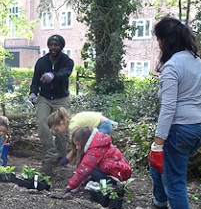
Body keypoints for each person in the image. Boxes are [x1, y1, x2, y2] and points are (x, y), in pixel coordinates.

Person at [134, 16, 201, 209]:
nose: (157, 44)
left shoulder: (173, 66)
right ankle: (159, 208)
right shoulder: (197, 61)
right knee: (157, 166)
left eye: (158, 38)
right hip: (200, 127)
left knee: (174, 178)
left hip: (180, 129)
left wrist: (158, 143)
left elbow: (168, 108)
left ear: (165, 40)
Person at [29, 34, 74, 175]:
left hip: (61, 97)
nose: (53, 47)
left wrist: (52, 75)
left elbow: (64, 74)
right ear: (48, 46)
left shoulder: (67, 61)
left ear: (61, 46)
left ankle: (61, 156)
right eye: (51, 45)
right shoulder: (41, 62)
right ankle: (50, 154)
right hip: (45, 97)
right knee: (42, 121)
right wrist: (33, 93)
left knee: (62, 126)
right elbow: (35, 80)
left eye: (56, 45)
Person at [63, 126, 132, 192]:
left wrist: (71, 186)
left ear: (84, 142)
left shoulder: (95, 150)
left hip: (117, 176)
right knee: (91, 166)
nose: (77, 147)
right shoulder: (98, 143)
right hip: (120, 171)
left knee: (89, 168)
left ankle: (111, 184)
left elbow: (83, 169)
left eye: (78, 144)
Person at [47, 107, 119, 166]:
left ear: (61, 123)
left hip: (103, 125)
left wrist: (67, 160)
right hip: (102, 123)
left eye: (56, 129)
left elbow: (78, 147)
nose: (57, 132)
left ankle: (96, 166)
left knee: (94, 148)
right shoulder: (72, 122)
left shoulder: (73, 127)